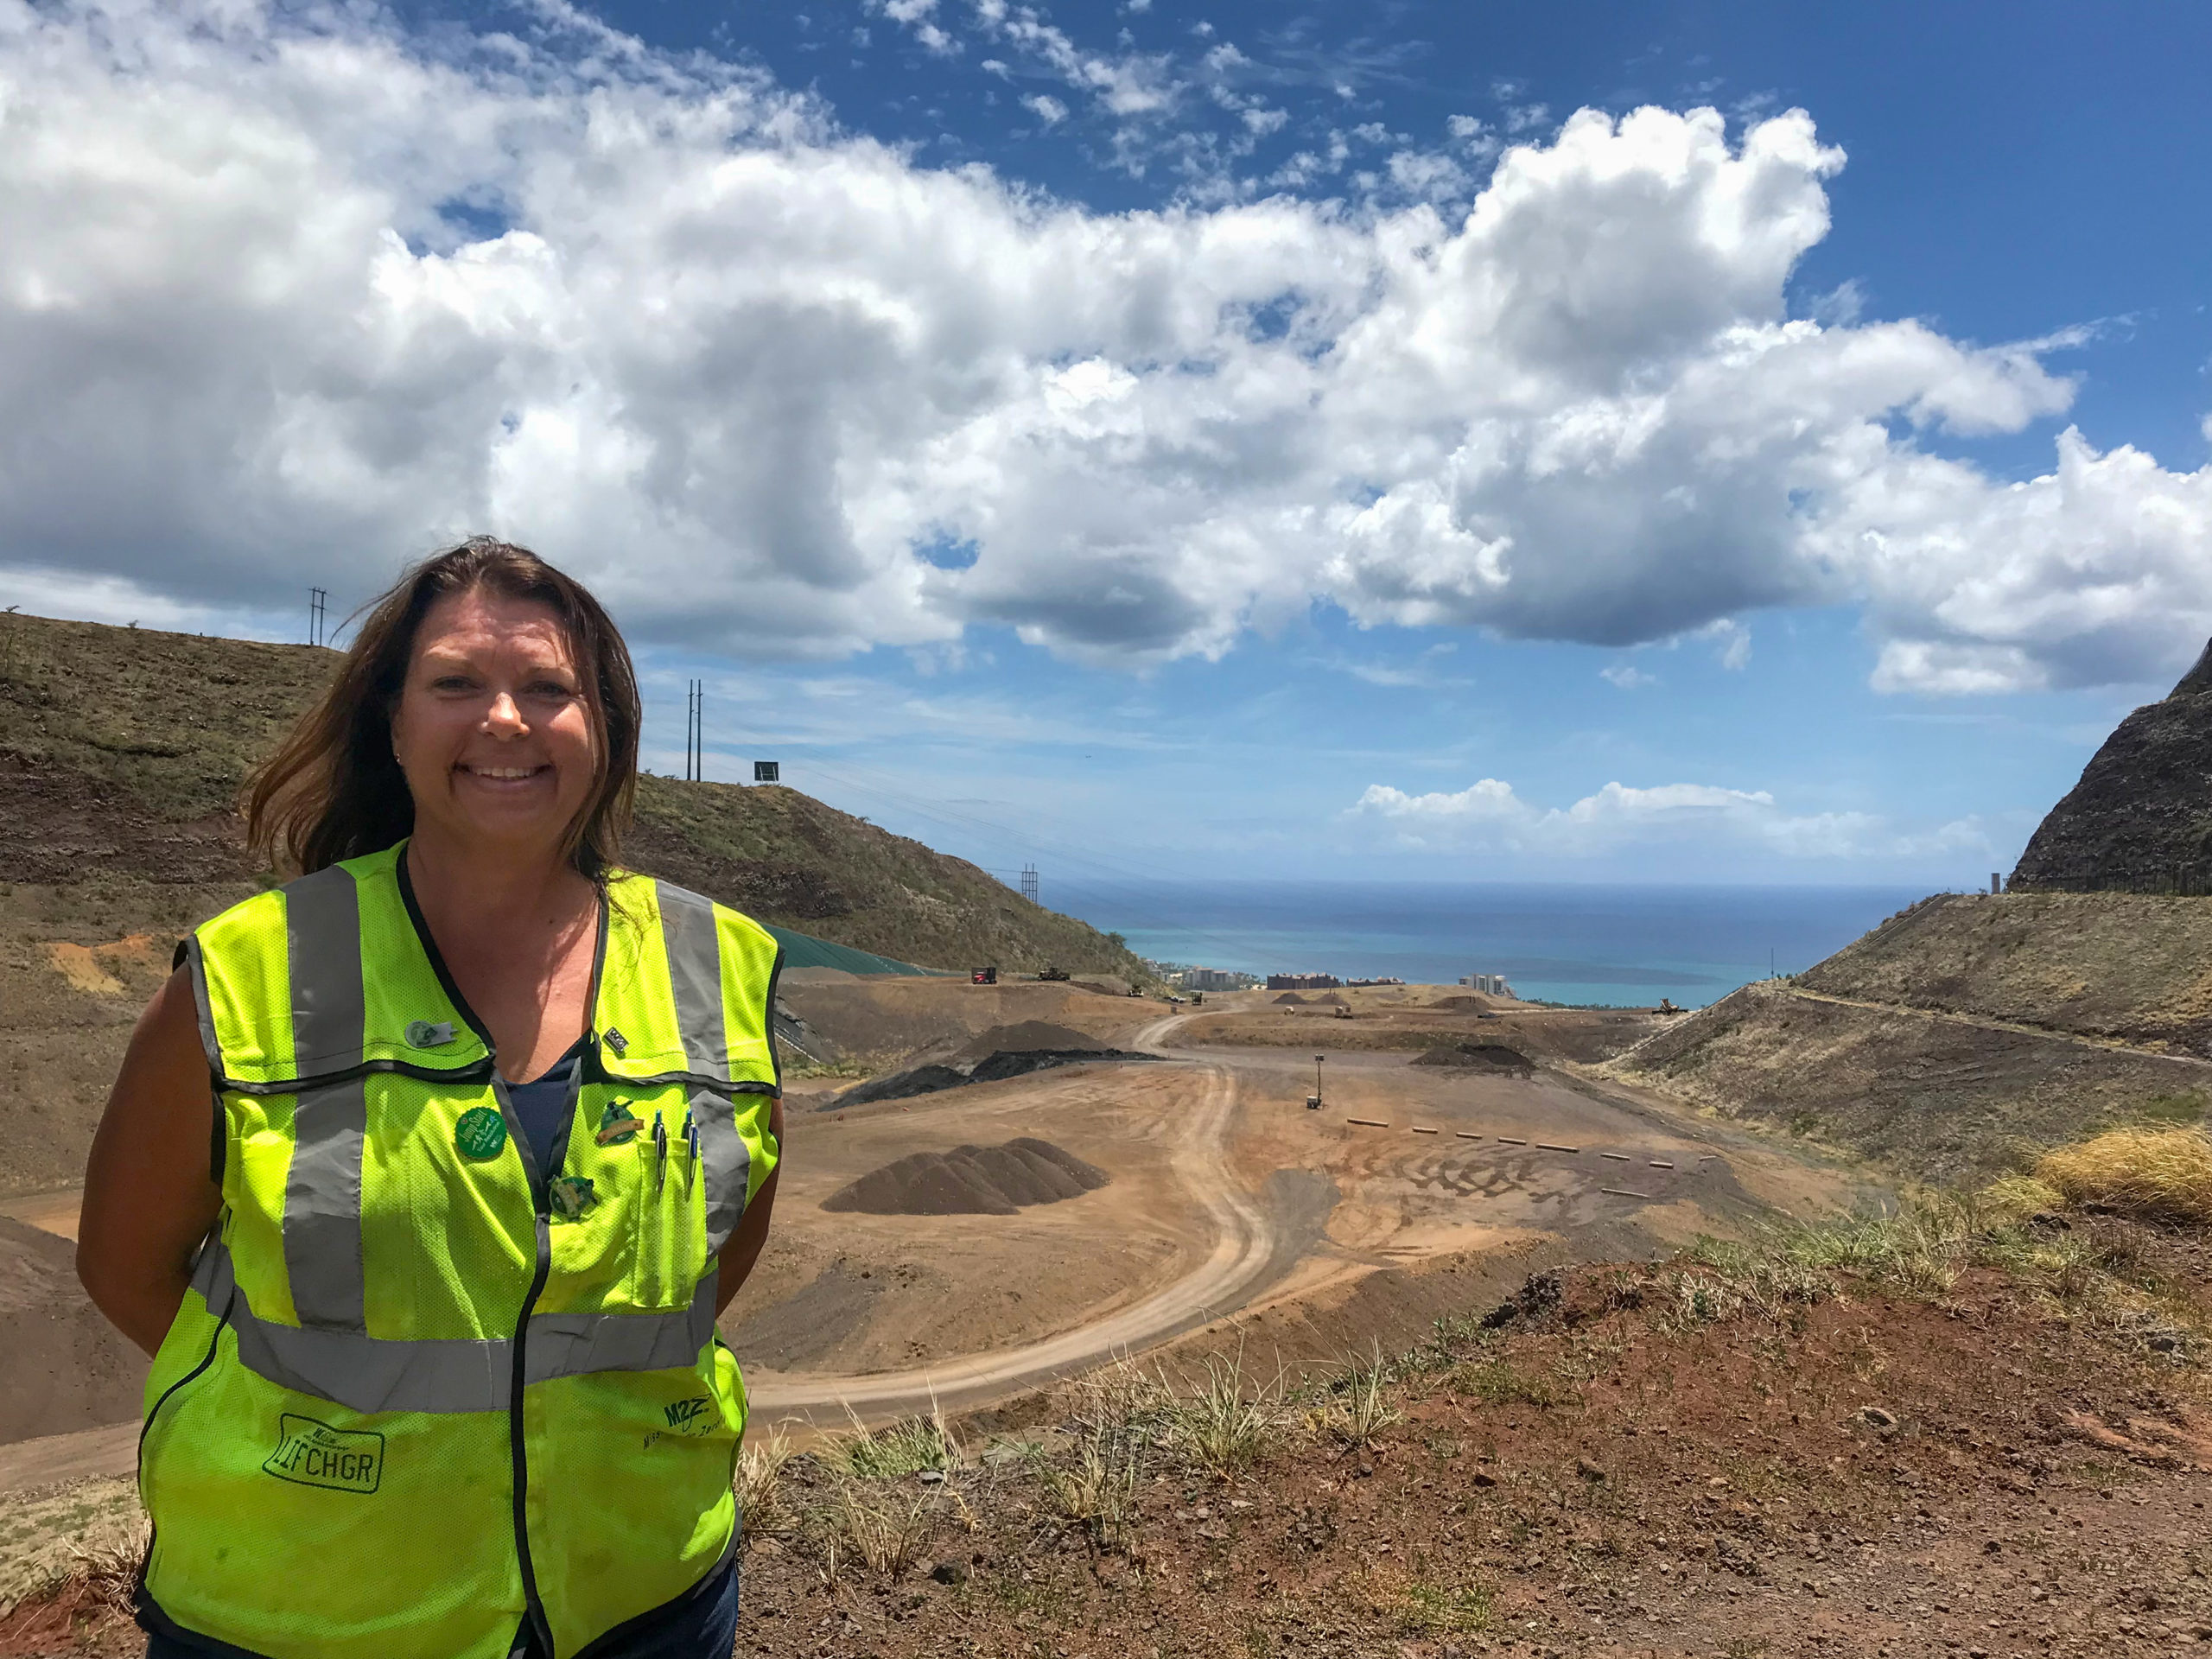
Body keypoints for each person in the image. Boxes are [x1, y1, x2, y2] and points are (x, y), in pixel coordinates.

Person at [76, 538, 784, 1659]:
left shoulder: (717, 963)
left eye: (549, 687)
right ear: (392, 725)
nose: (505, 718)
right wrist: (329, 1428)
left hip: (647, 1600)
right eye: (456, 682)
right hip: (304, 1614)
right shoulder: (244, 977)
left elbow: (722, 1246)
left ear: (603, 731)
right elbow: (123, 1267)